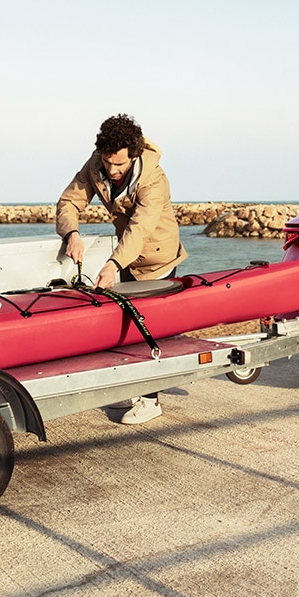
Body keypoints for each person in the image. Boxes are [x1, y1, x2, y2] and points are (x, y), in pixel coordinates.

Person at [56, 113, 188, 424]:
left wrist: (113, 263)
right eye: (107, 162)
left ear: (134, 155)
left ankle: (151, 399)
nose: (112, 171)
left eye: (120, 165)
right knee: (125, 325)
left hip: (157, 256)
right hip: (125, 254)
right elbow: (68, 202)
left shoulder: (154, 179)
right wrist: (71, 233)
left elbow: (140, 231)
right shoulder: (96, 166)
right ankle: (135, 386)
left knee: (148, 328)